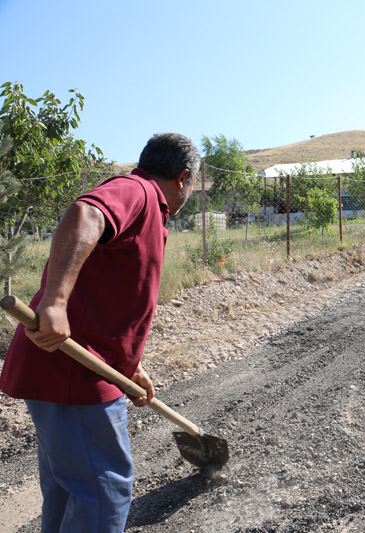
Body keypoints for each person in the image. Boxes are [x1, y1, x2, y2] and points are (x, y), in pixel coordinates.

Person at [0, 133, 199, 532]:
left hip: (69, 367)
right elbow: (85, 214)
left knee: (68, 488)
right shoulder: (137, 191)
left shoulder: (148, 209)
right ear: (182, 177)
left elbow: (111, 298)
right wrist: (54, 303)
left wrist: (130, 366)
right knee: (106, 490)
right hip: (73, 371)